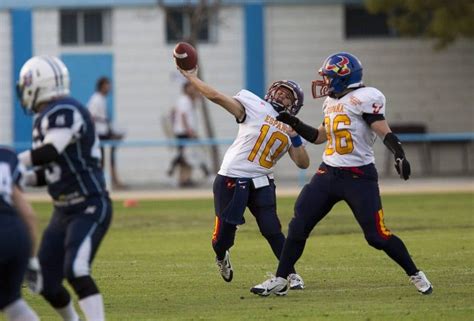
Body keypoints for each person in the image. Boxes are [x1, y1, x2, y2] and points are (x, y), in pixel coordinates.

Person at [251, 52, 433, 296]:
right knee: (299, 224)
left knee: (376, 236)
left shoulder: (366, 98)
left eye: (329, 77)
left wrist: (399, 153)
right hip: (328, 173)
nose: (325, 82)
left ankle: (415, 273)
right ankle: (281, 279)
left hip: (358, 177)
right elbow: (319, 137)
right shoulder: (331, 102)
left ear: (344, 77)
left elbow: (382, 129)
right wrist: (295, 123)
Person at [178, 65, 310, 289]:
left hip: (262, 181)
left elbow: (303, 163)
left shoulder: (291, 126)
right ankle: (221, 256)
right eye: (279, 91)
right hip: (232, 177)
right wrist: (192, 78)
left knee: (272, 229)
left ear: (294, 105)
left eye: (287, 96)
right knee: (223, 238)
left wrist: (296, 137)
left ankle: (290, 273)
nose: (281, 95)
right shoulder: (254, 105)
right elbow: (216, 96)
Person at [16, 55, 113, 321]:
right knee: (46, 282)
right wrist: (18, 178)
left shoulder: (65, 110)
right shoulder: (45, 118)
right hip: (63, 211)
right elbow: (49, 173)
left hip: (89, 204)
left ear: (39, 83)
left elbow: (49, 151)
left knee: (77, 269)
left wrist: (11, 161)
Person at [0, 147, 40, 321]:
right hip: (16, 234)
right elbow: (28, 214)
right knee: (12, 302)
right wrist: (32, 260)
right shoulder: (6, 156)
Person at [168, 81, 210, 187]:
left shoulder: (190, 100)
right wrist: (188, 130)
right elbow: (183, 115)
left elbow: (174, 112)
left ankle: (184, 178)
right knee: (186, 155)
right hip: (184, 132)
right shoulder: (184, 100)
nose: (193, 90)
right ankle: (175, 172)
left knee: (186, 156)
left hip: (186, 131)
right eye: (191, 88)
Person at [87, 76, 125, 189]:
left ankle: (113, 179)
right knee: (102, 159)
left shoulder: (102, 99)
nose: (109, 88)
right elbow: (91, 116)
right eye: (107, 85)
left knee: (109, 155)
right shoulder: (96, 99)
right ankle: (107, 181)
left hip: (104, 131)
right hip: (100, 133)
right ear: (101, 86)